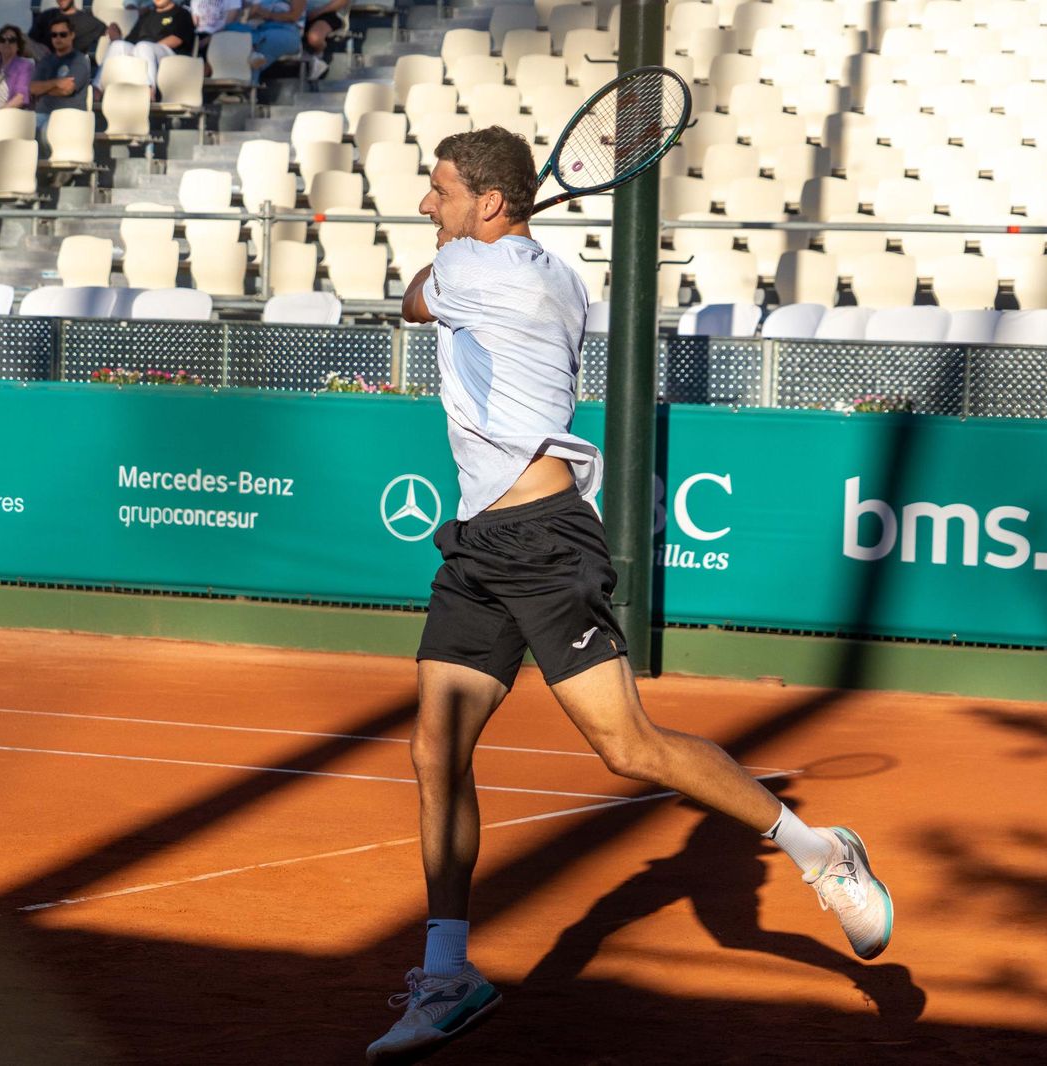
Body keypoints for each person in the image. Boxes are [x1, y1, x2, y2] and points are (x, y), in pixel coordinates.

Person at [364, 126, 897, 1064]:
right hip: (480, 539)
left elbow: (411, 300)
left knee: (627, 747)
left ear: (490, 203)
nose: (425, 203)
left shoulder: (481, 276)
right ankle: (449, 973)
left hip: (543, 539)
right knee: (433, 751)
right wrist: (482, 233)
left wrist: (458, 254)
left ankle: (819, 850)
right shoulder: (550, 272)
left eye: (439, 189)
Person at [96, 0, 194, 96]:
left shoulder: (182, 13)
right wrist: (117, 39)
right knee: (118, 45)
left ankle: (149, 91)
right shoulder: (147, 15)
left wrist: (148, 48)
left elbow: (177, 39)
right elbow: (130, 41)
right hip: (142, 53)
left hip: (171, 58)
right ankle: (97, 89)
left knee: (144, 46)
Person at [29, 14, 89, 141]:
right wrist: (57, 82)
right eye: (54, 35)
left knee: (46, 134)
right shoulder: (46, 60)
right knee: (18, 132)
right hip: (41, 114)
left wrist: (43, 89)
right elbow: (32, 88)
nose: (58, 38)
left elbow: (67, 89)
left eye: (63, 34)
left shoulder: (79, 60)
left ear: (72, 35)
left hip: (68, 117)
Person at [221, 0, 304, 79]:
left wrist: (266, 14)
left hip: (285, 31)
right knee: (230, 29)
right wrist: (251, 11)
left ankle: (245, 90)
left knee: (255, 52)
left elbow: (294, 16)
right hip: (255, 30)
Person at [27, 0, 106, 58]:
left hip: (71, 67)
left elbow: (108, 31)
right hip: (44, 65)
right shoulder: (45, 17)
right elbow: (30, 41)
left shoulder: (88, 22)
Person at [301, 0, 346, 81]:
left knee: (315, 38)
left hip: (329, 14)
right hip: (295, 14)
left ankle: (318, 59)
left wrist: (318, 12)